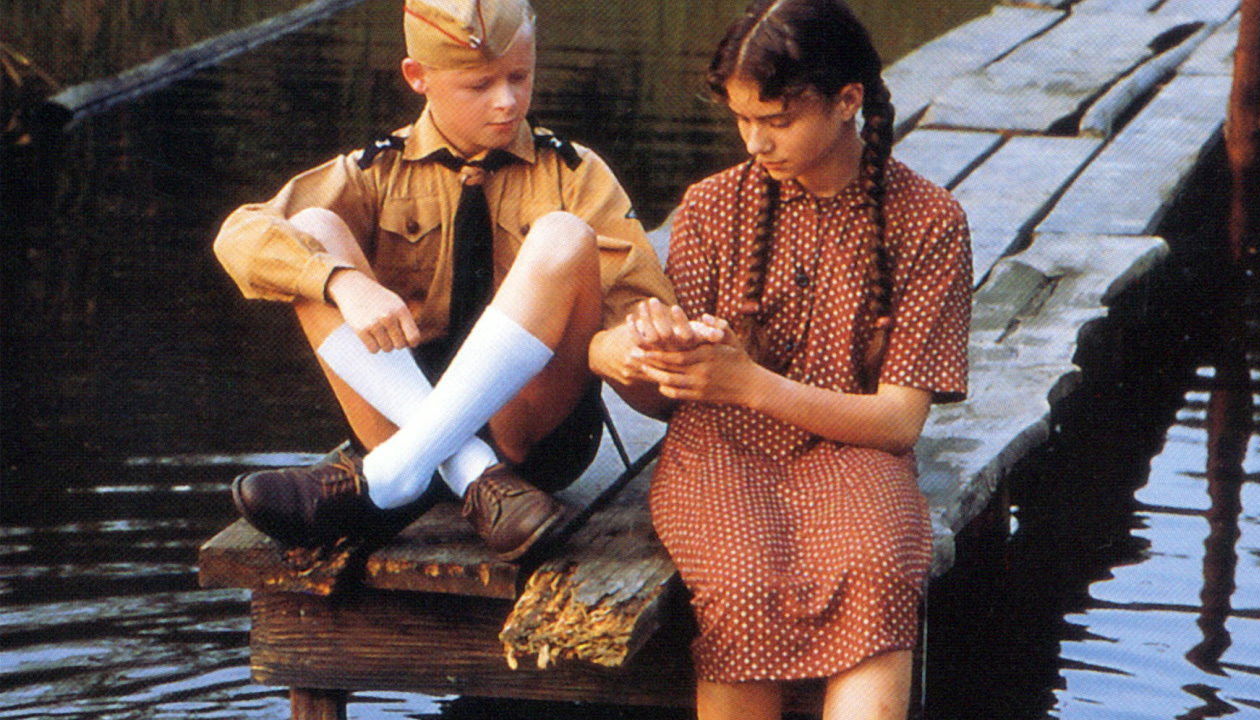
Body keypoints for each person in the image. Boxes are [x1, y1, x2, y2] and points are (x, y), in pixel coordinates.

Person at [212, 0, 680, 561]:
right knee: (311, 231)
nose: (507, 101)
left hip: (532, 442)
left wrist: (637, 343)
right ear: (418, 76)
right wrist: (340, 282)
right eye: (479, 85)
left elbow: (643, 335)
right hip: (399, 420)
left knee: (563, 234)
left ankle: (392, 477)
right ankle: (468, 473)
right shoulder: (377, 170)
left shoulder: (575, 173)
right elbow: (239, 236)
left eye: (519, 77)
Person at [627, 1, 972, 717]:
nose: (755, 141)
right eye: (742, 119)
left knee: (878, 567)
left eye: (777, 121)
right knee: (742, 580)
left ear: (847, 101)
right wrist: (650, 351)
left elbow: (898, 423)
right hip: (720, 448)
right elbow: (667, 401)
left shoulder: (929, 220)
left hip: (857, 448)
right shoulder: (709, 208)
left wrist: (749, 382)